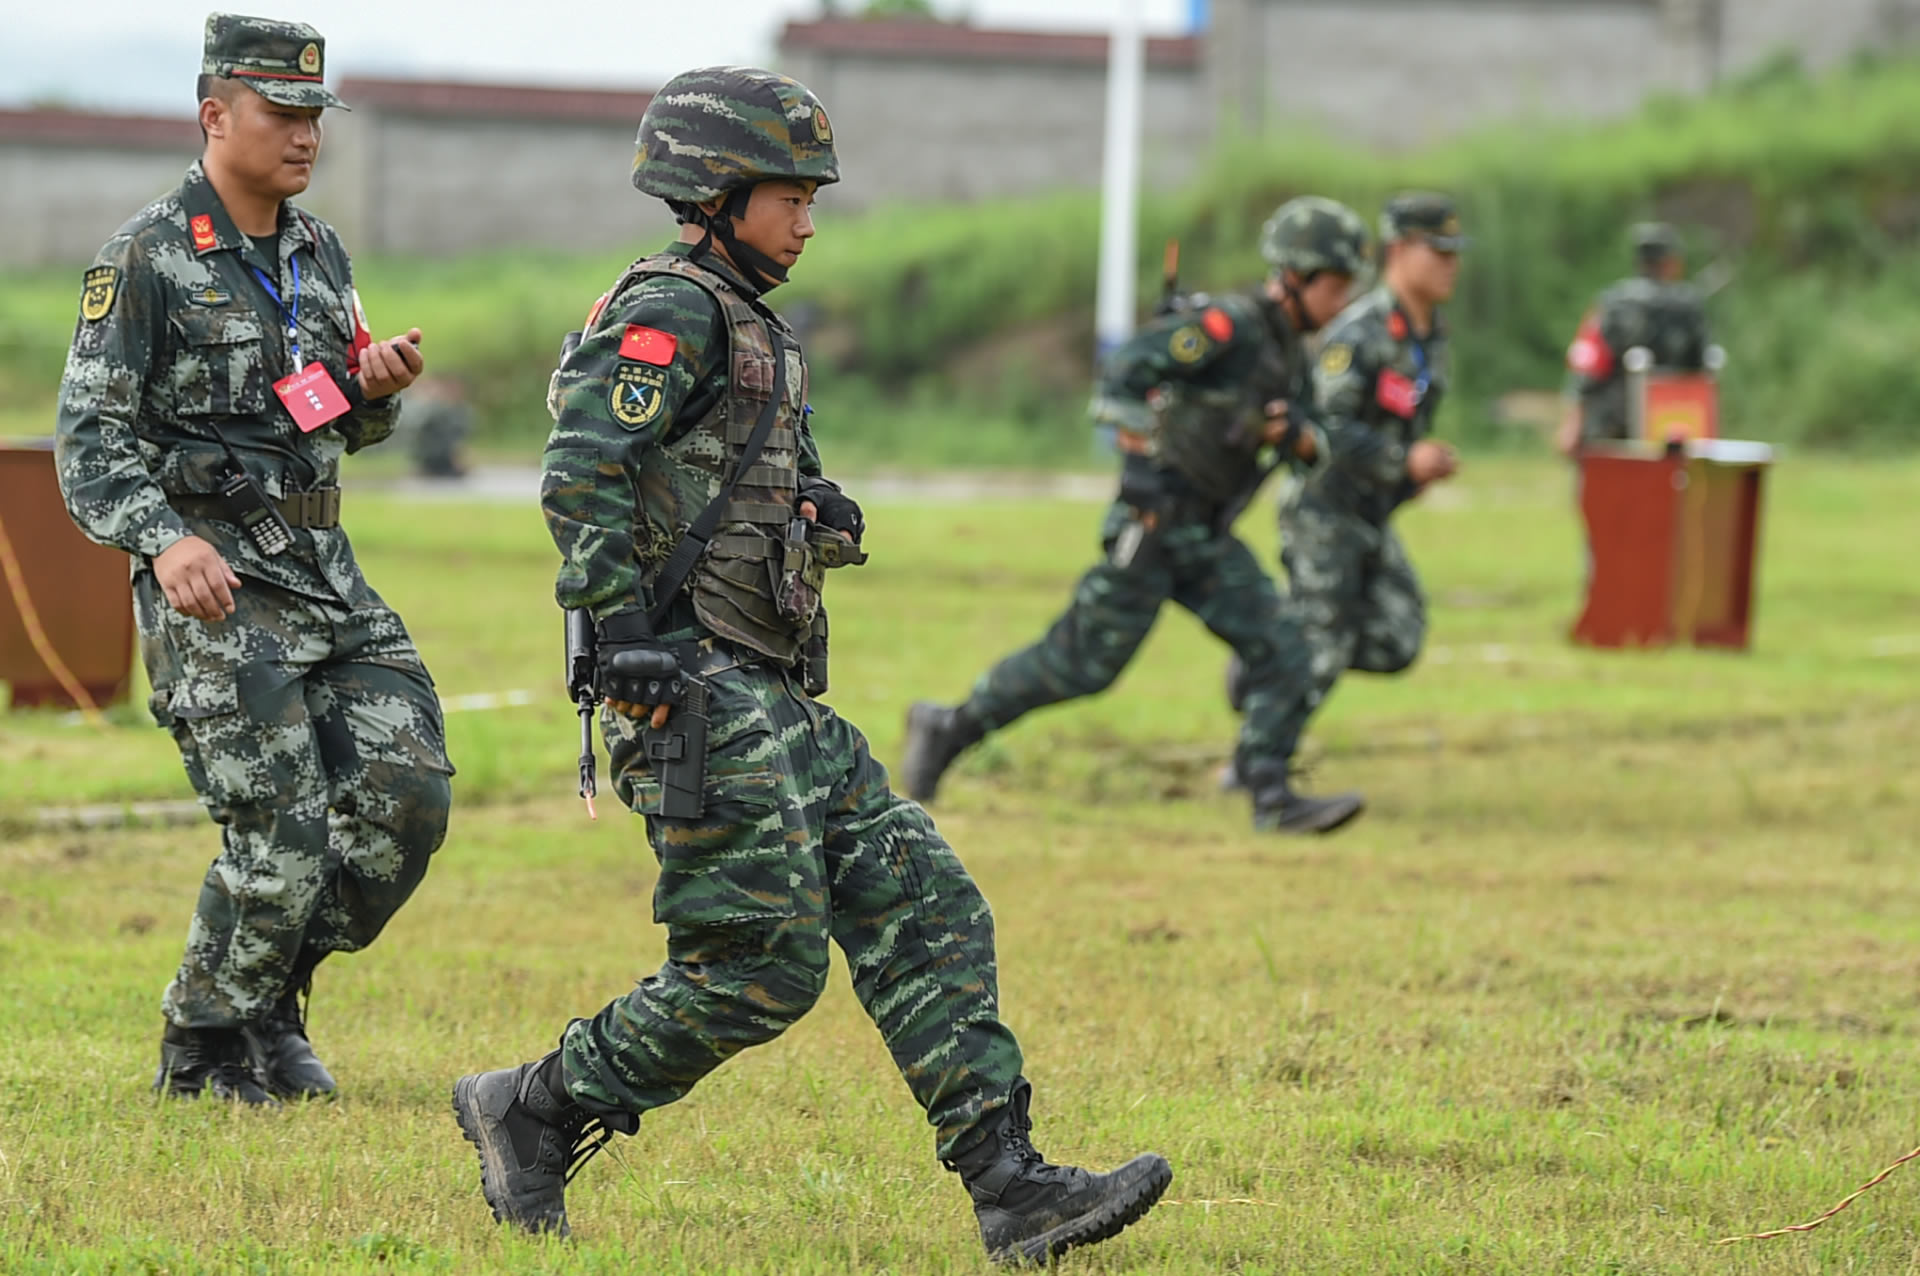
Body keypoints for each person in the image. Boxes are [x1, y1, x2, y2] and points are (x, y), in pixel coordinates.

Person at [450, 67, 1170, 1264]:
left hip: (769, 692)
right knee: (758, 969)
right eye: (790, 193)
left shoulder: (754, 326)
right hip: (687, 685)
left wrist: (811, 510)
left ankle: (1012, 1187)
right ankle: (533, 1106)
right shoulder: (668, 308)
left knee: (922, 893)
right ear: (714, 189)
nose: (809, 218)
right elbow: (580, 467)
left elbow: (714, 477)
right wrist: (620, 628)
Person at [53, 14, 452, 1106]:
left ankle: (270, 993)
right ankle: (205, 1043)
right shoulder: (144, 256)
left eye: (315, 114)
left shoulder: (321, 254)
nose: (304, 134)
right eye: (281, 112)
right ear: (214, 113)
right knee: (280, 827)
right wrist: (163, 537)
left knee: (405, 801)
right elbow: (90, 437)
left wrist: (369, 391)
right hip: (218, 586)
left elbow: (316, 422)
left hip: (325, 568)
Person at [898, 198, 1373, 836]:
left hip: (1206, 535)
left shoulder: (1293, 355)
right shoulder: (1228, 326)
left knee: (1285, 648)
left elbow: (1316, 440)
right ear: (1294, 274)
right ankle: (947, 727)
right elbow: (1125, 372)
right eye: (1335, 285)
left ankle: (1271, 794)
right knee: (1082, 664)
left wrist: (1298, 437)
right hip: (1154, 526)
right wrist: (1139, 457)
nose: (1342, 301)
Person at [1258, 193, 1465, 737]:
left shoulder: (1430, 335)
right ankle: (1257, 762)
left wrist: (1415, 467)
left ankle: (1272, 645)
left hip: (1371, 512)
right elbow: (1326, 423)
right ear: (1398, 251)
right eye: (1437, 253)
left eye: (1454, 254)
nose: (1450, 266)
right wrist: (1402, 460)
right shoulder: (1359, 331)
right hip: (1324, 508)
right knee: (1323, 647)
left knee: (1397, 638)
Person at [1555, 222, 1711, 456]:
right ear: (1672, 263)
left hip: (1610, 429)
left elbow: (1588, 367)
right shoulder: (1688, 307)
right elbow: (1702, 371)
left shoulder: (1613, 302)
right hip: (1674, 426)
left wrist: (1573, 424)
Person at [396, 375, 472, 478]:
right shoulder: (427, 409)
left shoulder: (455, 411)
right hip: (428, 455)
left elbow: (457, 437)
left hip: (443, 456)